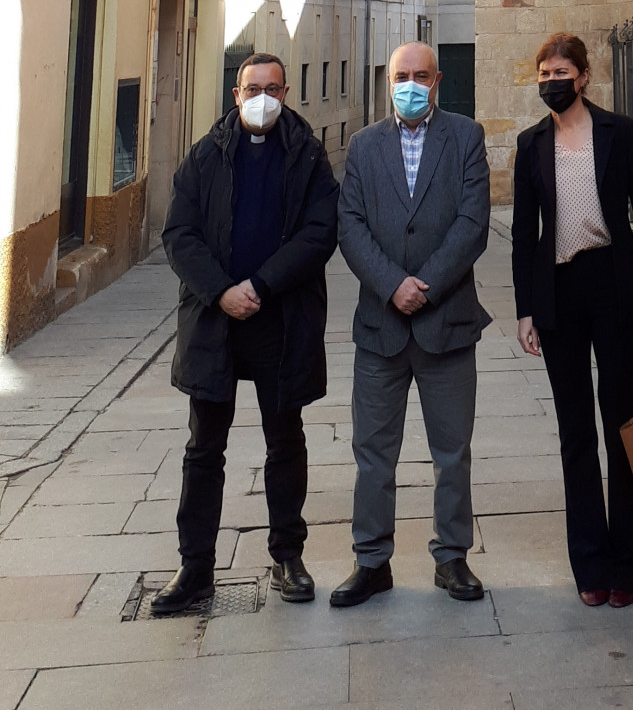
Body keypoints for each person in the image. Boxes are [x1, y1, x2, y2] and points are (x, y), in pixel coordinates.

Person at [153, 52, 339, 615]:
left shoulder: (307, 155)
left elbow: (319, 233)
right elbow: (179, 233)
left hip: (279, 318)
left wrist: (259, 285)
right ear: (236, 94)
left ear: (286, 95)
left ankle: (288, 557)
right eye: (252, 87)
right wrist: (221, 291)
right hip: (215, 322)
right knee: (204, 448)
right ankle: (195, 568)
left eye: (273, 88)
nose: (262, 97)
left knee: (286, 439)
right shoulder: (205, 154)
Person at [513, 32, 633, 609]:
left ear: (582, 76)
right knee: (574, 430)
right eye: (543, 73)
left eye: (560, 72)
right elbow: (523, 236)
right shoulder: (531, 145)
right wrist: (526, 309)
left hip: (613, 285)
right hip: (557, 293)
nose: (551, 81)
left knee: (622, 422)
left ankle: (630, 563)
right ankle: (590, 562)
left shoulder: (618, 132)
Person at [333, 42, 491, 608]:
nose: (410, 84)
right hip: (380, 328)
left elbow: (473, 223)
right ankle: (371, 560)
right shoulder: (363, 146)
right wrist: (390, 285)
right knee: (373, 452)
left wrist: (423, 285)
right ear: (388, 80)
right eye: (401, 75)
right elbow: (349, 226)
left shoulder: (466, 138)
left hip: (446, 322)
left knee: (453, 451)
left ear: (437, 80)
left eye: (421, 75)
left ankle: (452, 558)